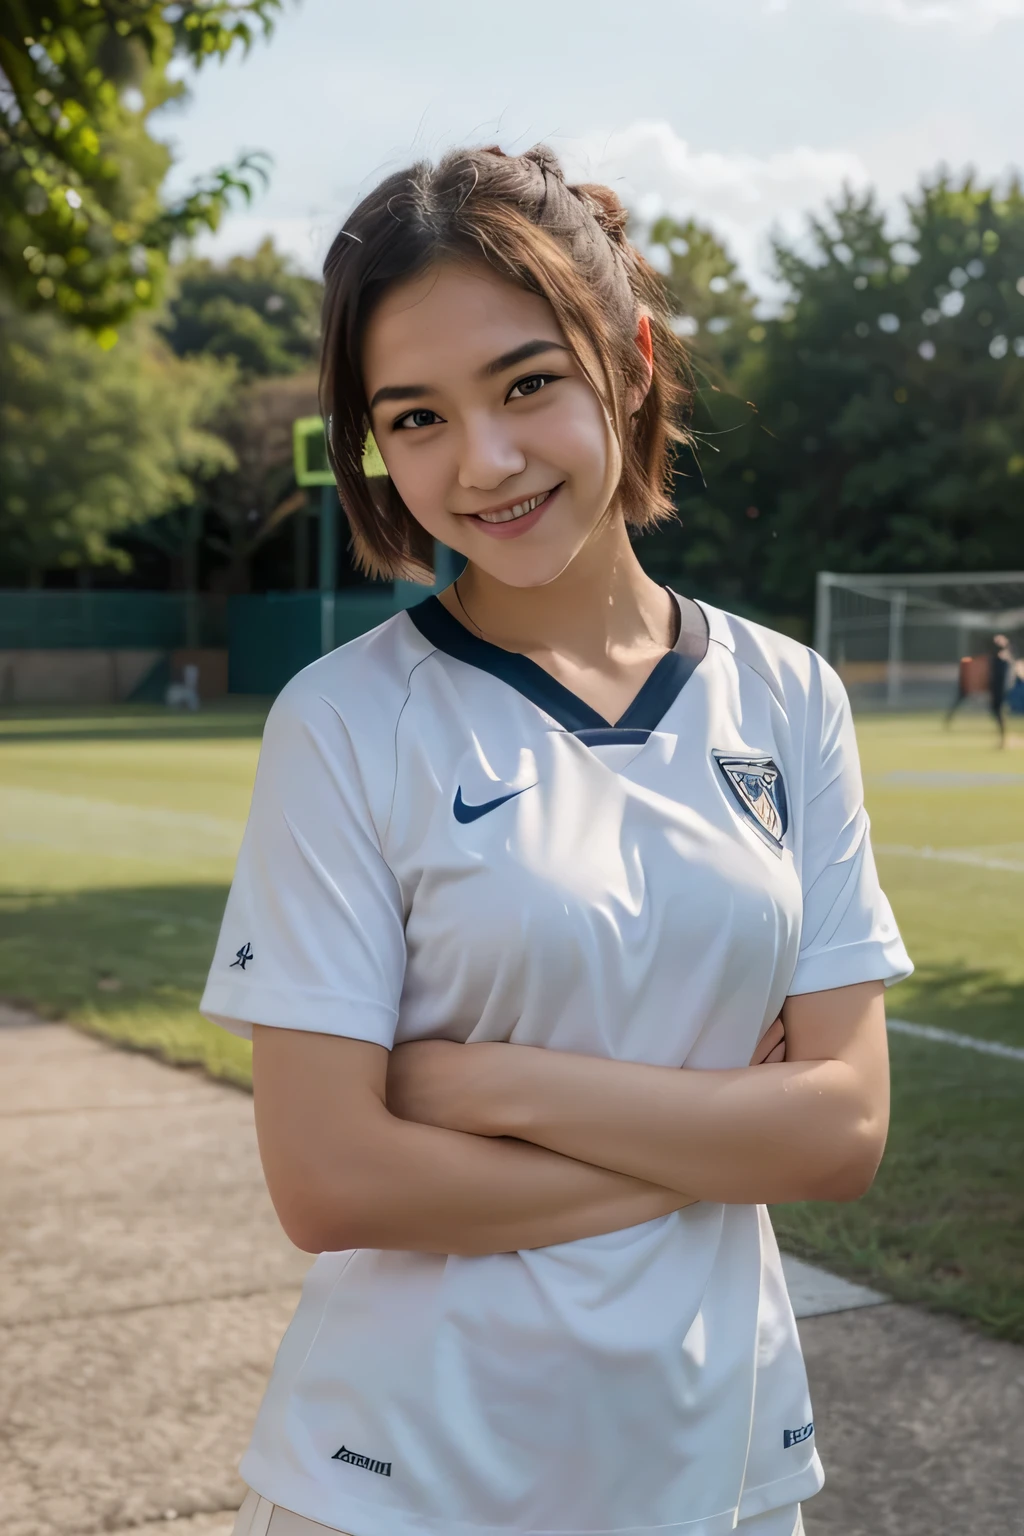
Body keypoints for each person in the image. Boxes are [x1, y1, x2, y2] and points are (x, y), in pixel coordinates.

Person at [200, 145, 912, 1536]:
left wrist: (483, 1083)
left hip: (722, 1460)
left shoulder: (786, 695)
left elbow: (843, 1131)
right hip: (409, 1478)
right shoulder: (344, 723)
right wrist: (719, 1142)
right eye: (415, 418)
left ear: (631, 358)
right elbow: (333, 1180)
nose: (484, 462)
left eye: (528, 384)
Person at [946, 633, 1015, 746]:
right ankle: (1003, 738)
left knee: (998, 712)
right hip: (996, 690)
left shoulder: (1002, 661)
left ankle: (1003, 739)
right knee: (997, 712)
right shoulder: (996, 659)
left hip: (999, 691)